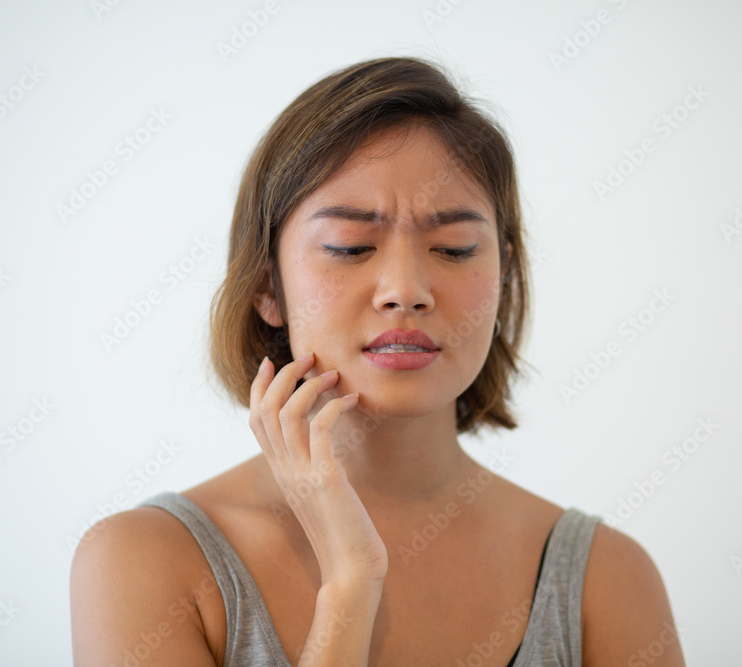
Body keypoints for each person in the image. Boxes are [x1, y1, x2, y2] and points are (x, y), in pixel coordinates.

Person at [70, 56, 686, 666]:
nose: (405, 288)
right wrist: (350, 582)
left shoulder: (606, 577)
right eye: (350, 246)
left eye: (454, 248)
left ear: (502, 274)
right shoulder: (143, 562)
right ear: (267, 288)